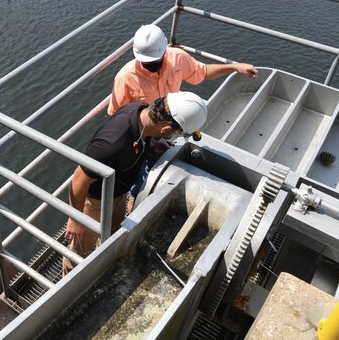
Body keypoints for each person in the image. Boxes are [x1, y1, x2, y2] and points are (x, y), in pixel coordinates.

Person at [62, 91, 208, 275]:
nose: (175, 137)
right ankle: (70, 283)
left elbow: (140, 140)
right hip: (95, 201)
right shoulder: (111, 144)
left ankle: (105, 264)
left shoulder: (141, 112)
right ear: (165, 129)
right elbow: (79, 179)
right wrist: (76, 219)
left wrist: (152, 147)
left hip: (118, 192)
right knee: (81, 251)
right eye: (177, 133)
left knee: (115, 234)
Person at [107, 24, 259, 115]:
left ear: (165, 51)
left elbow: (204, 72)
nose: (152, 65)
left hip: (171, 117)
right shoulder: (125, 77)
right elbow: (117, 115)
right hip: (143, 129)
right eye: (147, 62)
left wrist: (235, 67)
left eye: (155, 61)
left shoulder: (177, 58)